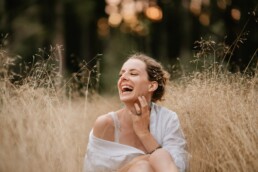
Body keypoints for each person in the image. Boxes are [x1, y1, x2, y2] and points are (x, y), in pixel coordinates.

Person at [83, 53, 187, 172]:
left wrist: (143, 133)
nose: (123, 77)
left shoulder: (168, 119)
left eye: (133, 74)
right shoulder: (105, 124)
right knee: (143, 167)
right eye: (121, 74)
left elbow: (176, 168)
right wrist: (136, 163)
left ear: (151, 86)